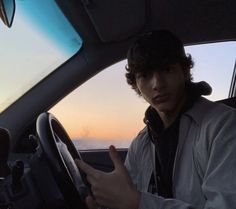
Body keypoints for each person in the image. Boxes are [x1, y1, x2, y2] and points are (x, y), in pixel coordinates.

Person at [76, 30, 236, 209]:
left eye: (167, 69)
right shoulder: (143, 141)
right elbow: (127, 196)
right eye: (145, 75)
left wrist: (138, 203)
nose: (157, 84)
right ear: (135, 84)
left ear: (184, 71)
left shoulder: (224, 127)